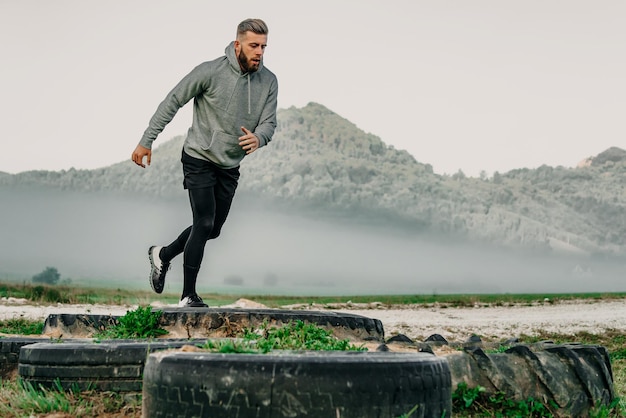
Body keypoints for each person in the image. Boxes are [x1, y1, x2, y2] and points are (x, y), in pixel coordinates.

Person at [130, 18, 278, 307]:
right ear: (238, 45)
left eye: (263, 46)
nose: (259, 52)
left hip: (229, 164)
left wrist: (259, 138)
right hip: (198, 156)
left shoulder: (269, 81)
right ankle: (188, 296)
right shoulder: (210, 72)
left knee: (213, 229)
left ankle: (163, 254)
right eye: (253, 45)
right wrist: (147, 140)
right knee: (204, 221)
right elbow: (173, 100)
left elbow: (270, 122)